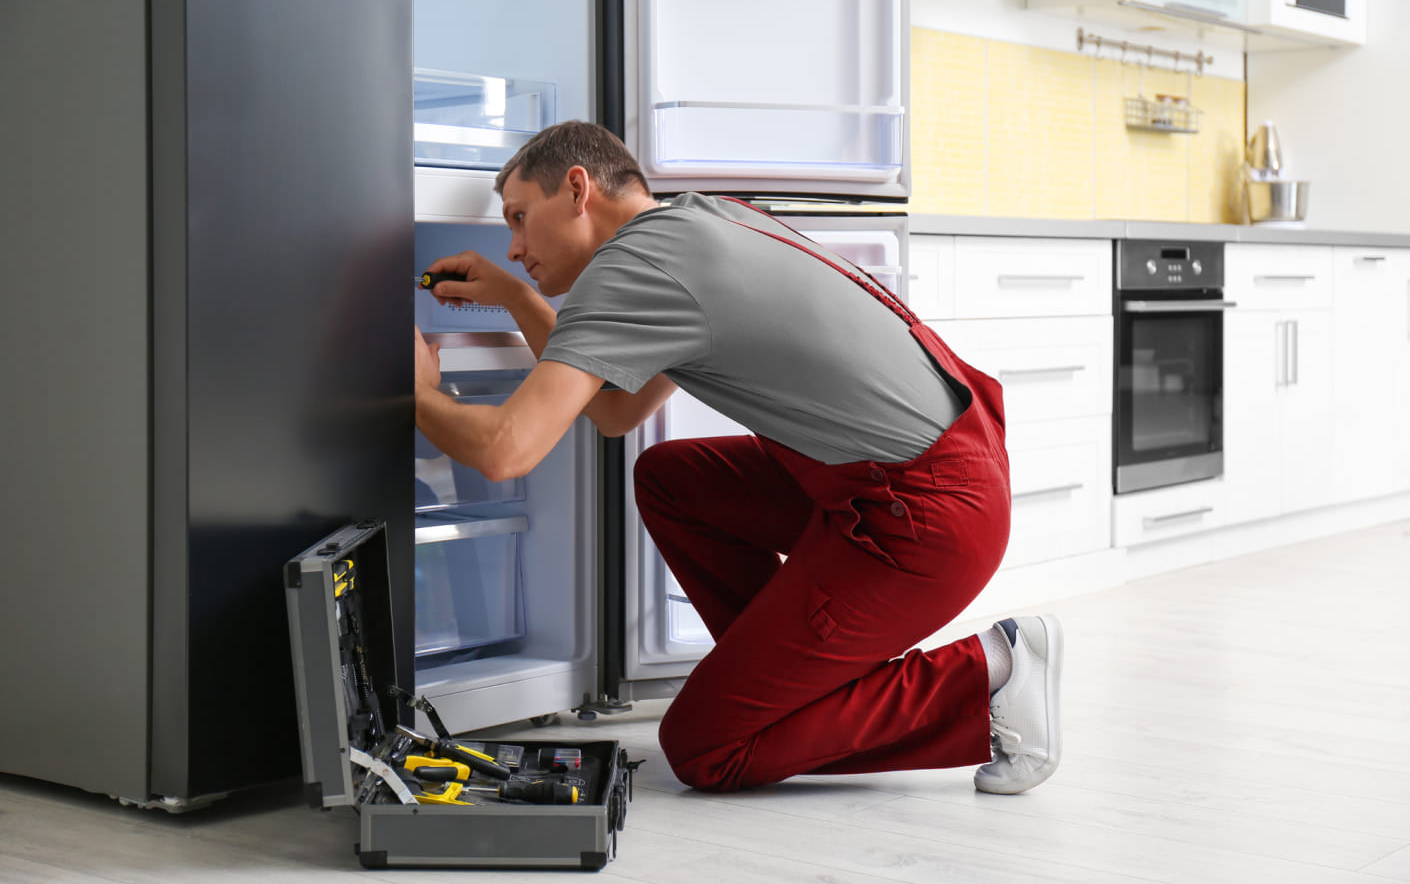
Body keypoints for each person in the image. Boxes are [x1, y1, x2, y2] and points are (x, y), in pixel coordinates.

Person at [413, 120, 1063, 795]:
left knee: (706, 749)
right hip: (946, 477)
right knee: (671, 481)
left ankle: (992, 673)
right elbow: (616, 411)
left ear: (578, 188)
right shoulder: (705, 219)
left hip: (920, 521)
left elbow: (504, 449)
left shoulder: (633, 267)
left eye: (520, 219)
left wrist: (417, 390)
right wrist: (520, 300)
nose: (514, 248)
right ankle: (778, 686)